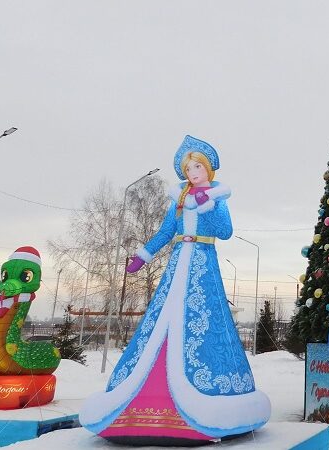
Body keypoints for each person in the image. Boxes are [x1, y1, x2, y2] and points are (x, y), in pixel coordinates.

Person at [80, 136, 270, 443]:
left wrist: (208, 204)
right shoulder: (178, 199)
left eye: (197, 166)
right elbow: (167, 232)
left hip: (203, 263)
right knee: (163, 312)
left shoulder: (218, 197)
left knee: (204, 315)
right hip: (178, 260)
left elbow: (225, 231)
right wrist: (143, 256)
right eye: (188, 168)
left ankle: (211, 391)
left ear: (207, 168)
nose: (193, 172)